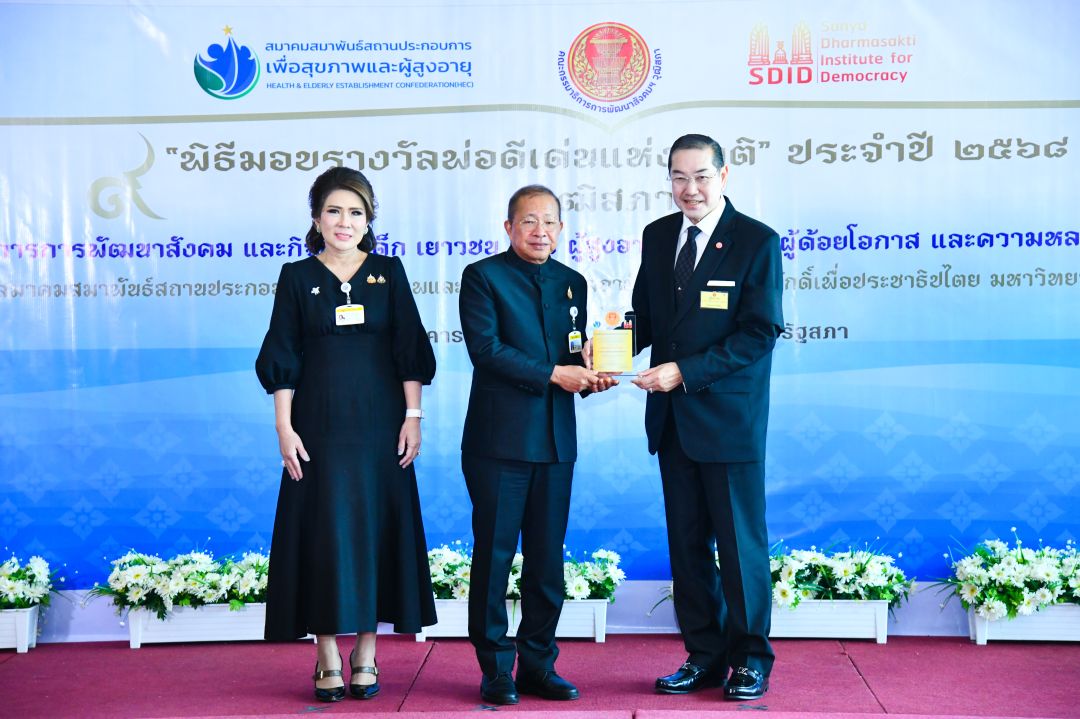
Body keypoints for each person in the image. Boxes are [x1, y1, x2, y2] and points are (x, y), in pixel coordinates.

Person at [256, 166, 437, 702]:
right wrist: (284, 427)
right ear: (316, 219)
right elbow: (282, 354)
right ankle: (327, 655)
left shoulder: (388, 272)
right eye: (334, 211)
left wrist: (413, 416)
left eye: (355, 212)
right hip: (318, 425)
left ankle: (366, 653)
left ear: (368, 220)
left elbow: (410, 349)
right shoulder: (296, 276)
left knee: (373, 532)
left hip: (381, 425)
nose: (344, 221)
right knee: (325, 533)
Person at [629, 134, 783, 701]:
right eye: (678, 177)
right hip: (673, 422)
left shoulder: (756, 241)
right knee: (687, 546)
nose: (689, 189)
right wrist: (611, 346)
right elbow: (647, 317)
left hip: (728, 421)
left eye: (700, 176)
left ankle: (750, 659)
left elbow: (759, 333)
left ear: (724, 176)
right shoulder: (658, 235)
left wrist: (684, 372)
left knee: (740, 547)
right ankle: (704, 655)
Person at [458, 184, 617, 706]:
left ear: (561, 229)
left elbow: (571, 357)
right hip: (499, 442)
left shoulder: (572, 282)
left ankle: (538, 666)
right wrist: (555, 374)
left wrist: (591, 373)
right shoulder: (483, 277)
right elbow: (487, 351)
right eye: (529, 221)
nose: (540, 231)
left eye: (549, 222)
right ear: (509, 227)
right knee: (495, 557)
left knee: (547, 563)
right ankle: (495, 670)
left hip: (555, 442)